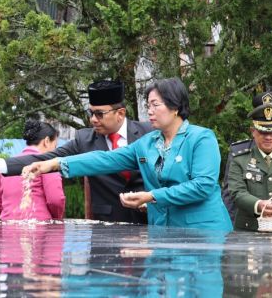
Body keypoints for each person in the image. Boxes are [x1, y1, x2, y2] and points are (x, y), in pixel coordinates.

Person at [23, 78, 232, 231]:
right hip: (163, 232)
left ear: (175, 107)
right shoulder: (148, 143)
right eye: (148, 105)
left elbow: (202, 186)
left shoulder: (201, 138)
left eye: (155, 105)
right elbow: (105, 159)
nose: (149, 111)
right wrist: (55, 164)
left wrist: (151, 196)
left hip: (204, 233)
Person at [0, 79, 152, 223]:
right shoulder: (84, 139)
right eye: (90, 113)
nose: (93, 120)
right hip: (107, 230)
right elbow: (45, 159)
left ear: (120, 113)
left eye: (99, 114)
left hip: (151, 224)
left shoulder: (149, 135)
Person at [0, 119, 65, 220]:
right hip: (40, 230)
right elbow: (55, 200)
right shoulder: (47, 164)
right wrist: (56, 220)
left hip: (8, 229)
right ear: (47, 141)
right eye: (55, 146)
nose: (55, 151)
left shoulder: (9, 165)